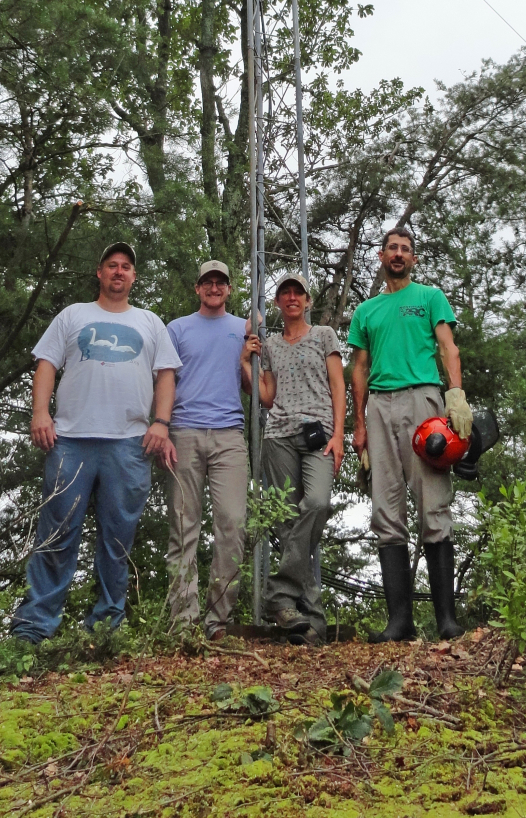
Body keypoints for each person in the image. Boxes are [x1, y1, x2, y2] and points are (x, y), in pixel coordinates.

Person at [11, 242, 181, 643]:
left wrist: (161, 422)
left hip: (129, 444)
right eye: (111, 266)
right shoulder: (72, 316)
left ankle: (105, 628)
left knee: (117, 539)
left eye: (125, 267)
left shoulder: (151, 323)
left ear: (133, 277)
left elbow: (166, 376)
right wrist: (40, 413)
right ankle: (34, 629)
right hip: (70, 439)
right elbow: (46, 364)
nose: (119, 272)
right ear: (100, 274)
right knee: (56, 534)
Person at [348, 227, 472, 642]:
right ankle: (398, 622)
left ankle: (446, 621)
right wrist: (359, 423)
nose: (398, 254)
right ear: (381, 256)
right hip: (380, 406)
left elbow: (447, 347)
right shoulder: (366, 311)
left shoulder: (428, 297)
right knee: (386, 509)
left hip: (423, 402)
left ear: (413, 259)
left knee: (433, 503)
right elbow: (358, 369)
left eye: (405, 249)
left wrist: (454, 394)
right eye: (392, 249)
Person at [243, 273, 345, 646]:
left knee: (317, 503)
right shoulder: (269, 344)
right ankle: (310, 618)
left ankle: (280, 594)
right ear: (277, 303)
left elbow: (338, 385)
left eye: (297, 292)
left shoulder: (324, 336)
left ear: (307, 300)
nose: (291, 298)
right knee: (286, 522)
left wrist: (339, 435)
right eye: (284, 293)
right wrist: (245, 362)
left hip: (318, 434)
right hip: (279, 436)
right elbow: (267, 396)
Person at [164, 260, 254, 639]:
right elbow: (164, 380)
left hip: (229, 436)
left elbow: (254, 388)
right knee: (183, 526)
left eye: (221, 282)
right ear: (197, 288)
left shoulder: (245, 328)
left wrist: (249, 356)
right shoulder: (177, 329)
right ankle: (183, 621)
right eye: (207, 282)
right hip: (183, 432)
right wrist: (161, 428)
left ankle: (218, 619)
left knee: (232, 524)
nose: (214, 287)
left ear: (229, 289)